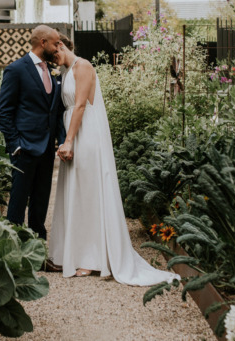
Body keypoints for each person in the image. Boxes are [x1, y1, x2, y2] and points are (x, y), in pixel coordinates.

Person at [48, 35, 180, 285]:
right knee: (76, 192)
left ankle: (92, 257)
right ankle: (75, 252)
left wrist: (69, 140)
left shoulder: (83, 66)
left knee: (88, 192)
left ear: (62, 45)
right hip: (74, 131)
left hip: (85, 134)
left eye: (55, 54)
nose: (55, 60)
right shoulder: (66, 71)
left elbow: (80, 106)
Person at [0, 25, 67, 261]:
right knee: (17, 203)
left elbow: (54, 112)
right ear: (43, 42)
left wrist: (62, 141)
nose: (59, 47)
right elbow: (3, 112)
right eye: (56, 43)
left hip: (46, 148)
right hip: (24, 148)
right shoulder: (16, 70)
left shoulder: (53, 71)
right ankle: (12, 255)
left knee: (40, 202)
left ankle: (36, 254)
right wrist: (15, 144)